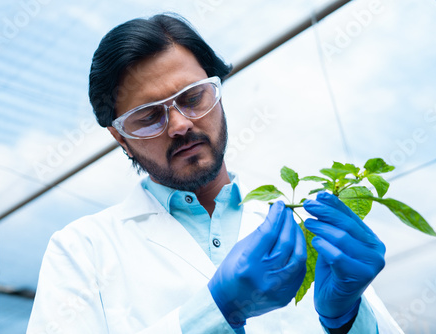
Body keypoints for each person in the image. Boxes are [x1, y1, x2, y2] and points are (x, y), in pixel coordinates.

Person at [27, 13, 403, 334]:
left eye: (192, 98)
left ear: (218, 94)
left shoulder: (304, 226)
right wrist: (214, 312)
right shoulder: (82, 249)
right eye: (148, 117)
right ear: (120, 139)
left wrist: (347, 319)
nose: (178, 124)